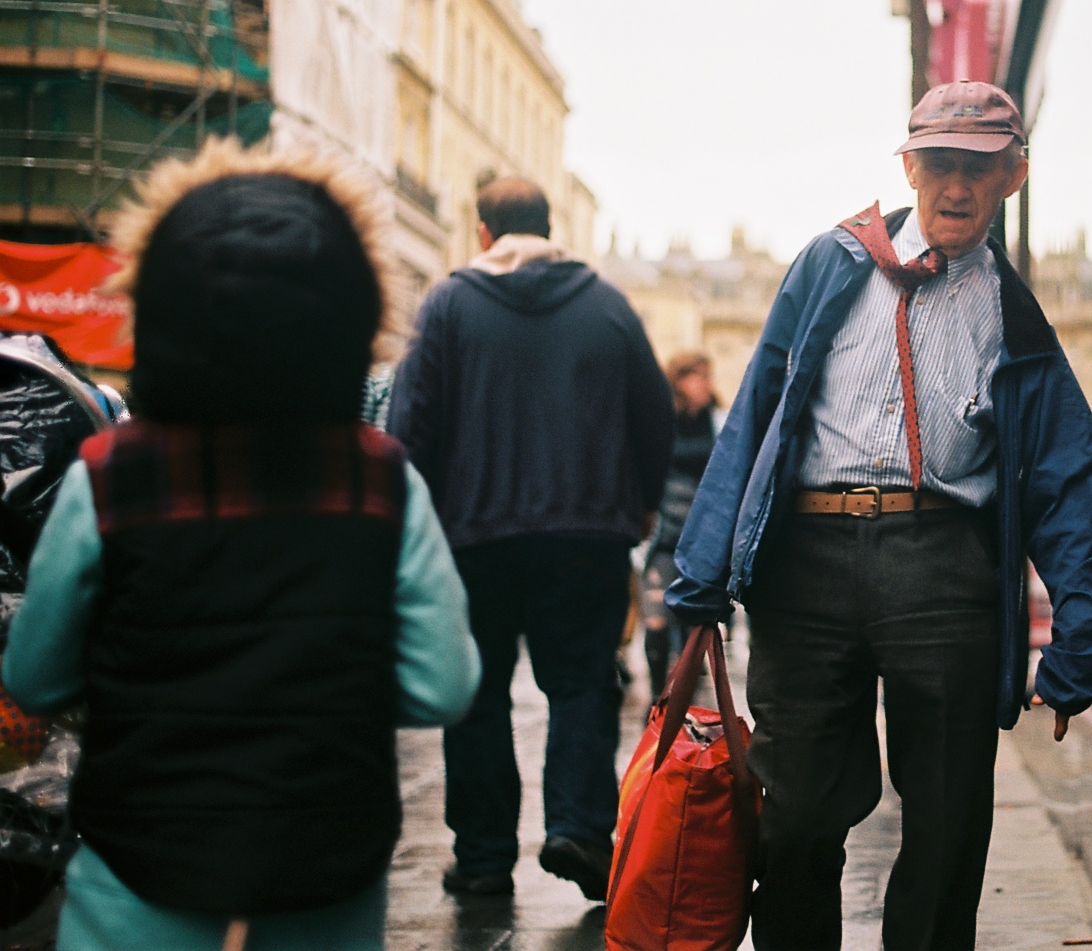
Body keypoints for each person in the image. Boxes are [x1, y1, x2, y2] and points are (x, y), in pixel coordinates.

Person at [668, 80, 1092, 951]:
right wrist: (700, 575)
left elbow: (1073, 480)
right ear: (910, 167)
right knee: (797, 813)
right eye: (942, 166)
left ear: (1013, 179)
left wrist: (1087, 641)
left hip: (942, 562)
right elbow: (758, 413)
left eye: (980, 170)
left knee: (951, 815)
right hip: (806, 561)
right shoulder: (830, 263)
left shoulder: (1013, 315)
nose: (958, 188)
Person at [2, 138, 481, 950]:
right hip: (323, 872)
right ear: (349, 314)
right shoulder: (380, 481)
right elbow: (444, 685)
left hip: (138, 870)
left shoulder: (110, 477)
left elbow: (36, 677)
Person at [389, 176, 674, 901]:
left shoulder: (449, 303)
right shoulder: (607, 305)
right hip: (587, 532)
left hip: (474, 535)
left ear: (483, 232)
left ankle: (483, 857)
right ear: (551, 227)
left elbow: (409, 426)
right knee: (581, 682)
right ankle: (579, 829)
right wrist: (637, 506)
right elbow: (656, 418)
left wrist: (412, 521)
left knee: (478, 693)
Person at [640, 351, 722, 691]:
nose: (705, 383)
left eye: (707, 375)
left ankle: (684, 698)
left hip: (702, 540)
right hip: (663, 537)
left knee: (693, 627)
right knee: (656, 623)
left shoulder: (718, 421)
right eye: (697, 375)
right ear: (679, 380)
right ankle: (658, 698)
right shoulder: (659, 420)